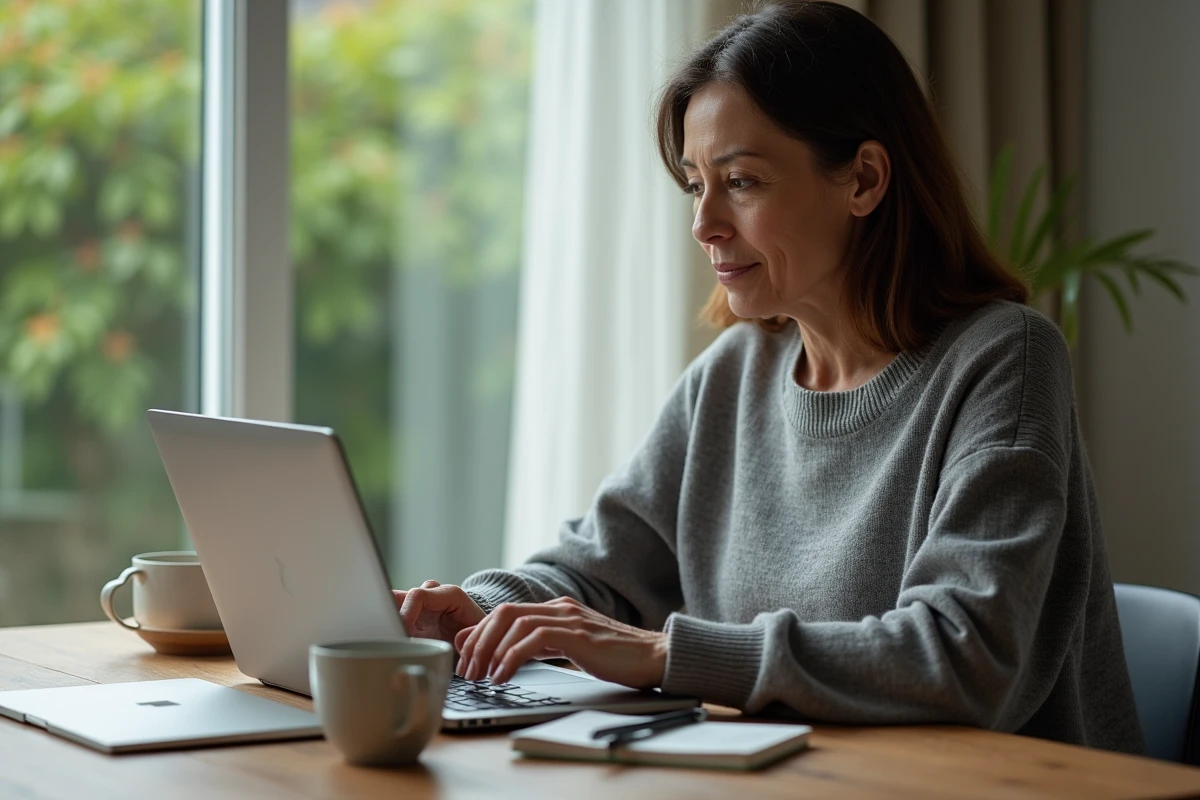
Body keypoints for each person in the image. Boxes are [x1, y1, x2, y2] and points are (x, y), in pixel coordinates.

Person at [392, 0, 1144, 753]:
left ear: (865, 180)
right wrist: (482, 607)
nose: (704, 223)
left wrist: (662, 655)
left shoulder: (1003, 360)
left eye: (742, 182)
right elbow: (601, 570)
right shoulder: (734, 373)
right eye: (695, 184)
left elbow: (961, 656)